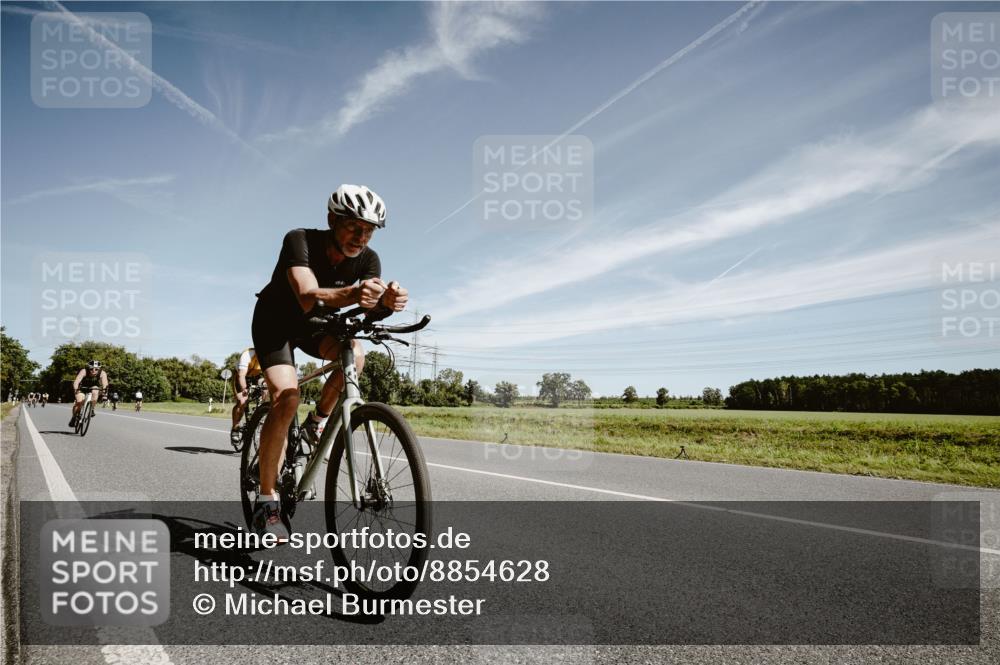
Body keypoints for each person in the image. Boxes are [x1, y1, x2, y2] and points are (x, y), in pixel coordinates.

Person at [249, 184, 407, 540]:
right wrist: (355, 293)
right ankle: (266, 500)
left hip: (319, 328)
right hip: (276, 324)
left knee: (357, 353)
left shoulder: (368, 259)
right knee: (287, 397)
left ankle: (316, 423)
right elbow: (306, 296)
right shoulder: (300, 240)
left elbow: (370, 306)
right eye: (354, 226)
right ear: (333, 219)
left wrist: (389, 302)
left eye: (369, 230)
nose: (361, 236)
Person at [230, 346, 264, 446]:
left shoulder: (269, 357)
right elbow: (241, 376)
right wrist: (245, 389)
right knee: (242, 401)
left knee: (265, 386)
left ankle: (260, 411)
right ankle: (235, 429)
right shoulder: (248, 355)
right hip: (241, 376)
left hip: (256, 376)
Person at [69, 360, 108, 426]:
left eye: (96, 369)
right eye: (91, 369)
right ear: (88, 368)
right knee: (79, 402)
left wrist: (105, 394)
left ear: (99, 369)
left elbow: (105, 384)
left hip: (93, 387)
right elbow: (77, 381)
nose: (94, 371)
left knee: (95, 391)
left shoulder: (102, 373)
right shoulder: (84, 371)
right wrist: (76, 389)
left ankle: (92, 409)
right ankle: (74, 417)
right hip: (82, 388)